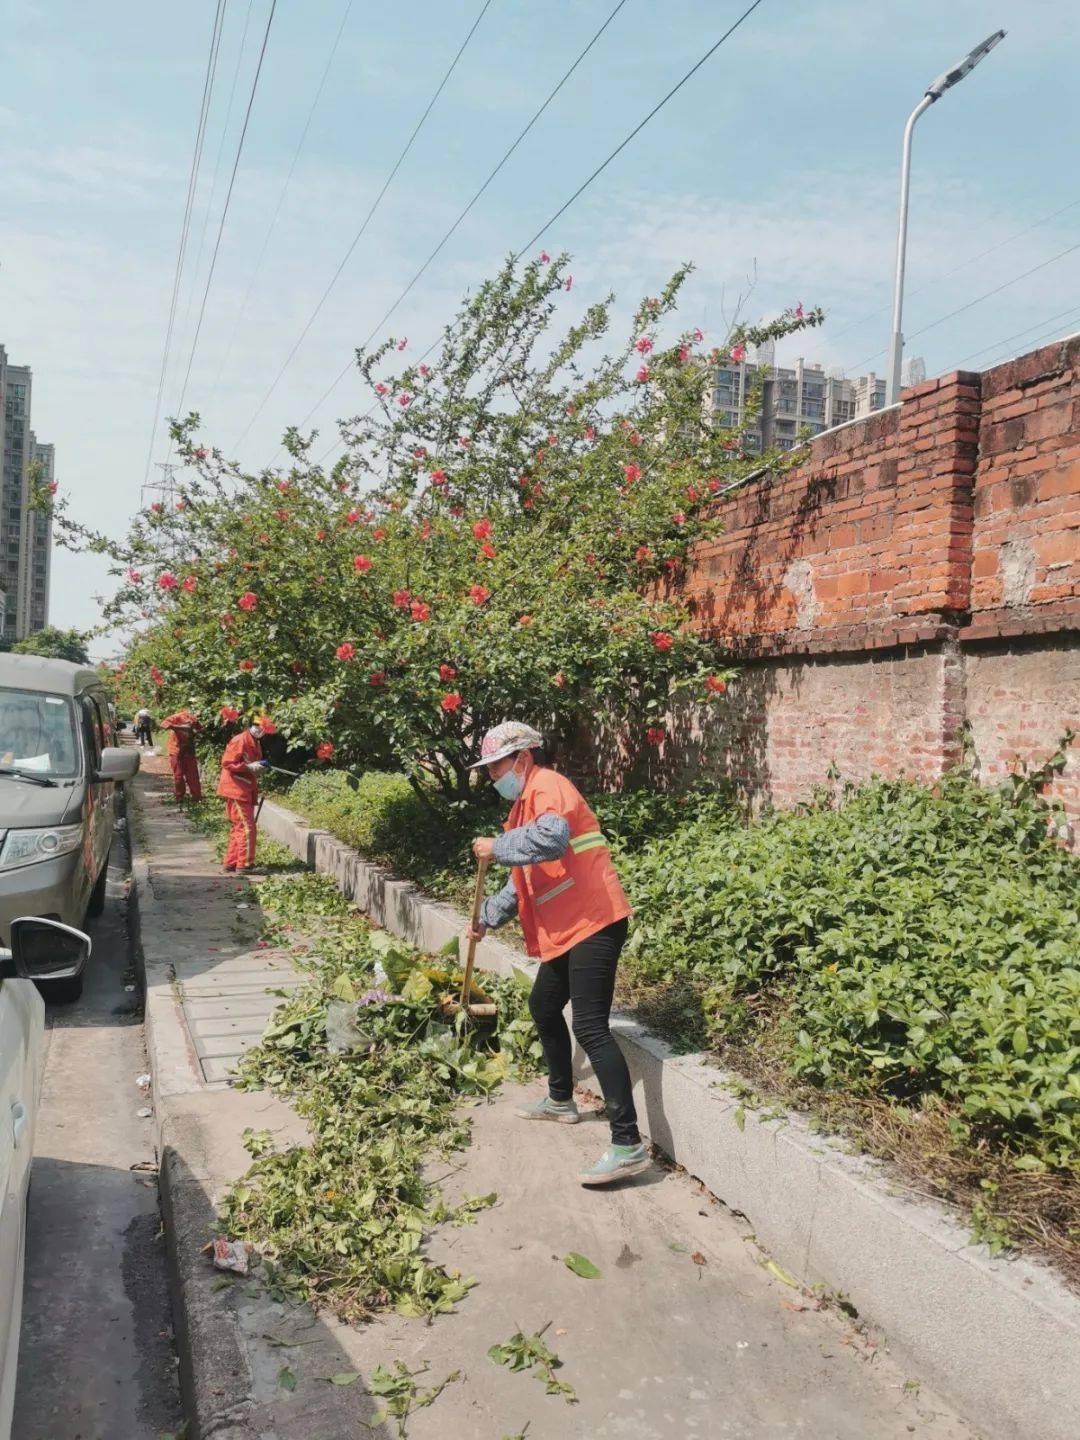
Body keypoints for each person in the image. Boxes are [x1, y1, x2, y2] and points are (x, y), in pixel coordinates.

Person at [467, 721, 649, 1187]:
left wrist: (497, 847)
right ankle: (560, 1100)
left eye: (495, 769)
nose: (493, 779)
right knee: (544, 1005)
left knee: (590, 1026)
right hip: (568, 927)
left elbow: (550, 839)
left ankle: (627, 1144)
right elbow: (522, 881)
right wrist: (487, 916)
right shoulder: (522, 807)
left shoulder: (549, 786)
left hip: (595, 920)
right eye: (488, 772)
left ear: (522, 760)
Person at [216, 715, 271, 874]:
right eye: (262, 729)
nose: (263, 732)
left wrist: (259, 766)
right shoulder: (240, 740)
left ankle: (231, 863)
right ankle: (245, 865)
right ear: (255, 726)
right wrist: (249, 767)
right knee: (247, 828)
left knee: (239, 827)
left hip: (244, 788)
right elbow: (227, 763)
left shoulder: (254, 742)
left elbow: (250, 764)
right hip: (236, 789)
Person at [160, 703, 203, 802]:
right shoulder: (178, 716)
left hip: (189, 750)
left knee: (193, 776)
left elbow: (200, 729)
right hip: (176, 750)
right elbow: (163, 724)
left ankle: (197, 798)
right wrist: (177, 727)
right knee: (179, 776)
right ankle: (180, 797)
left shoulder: (195, 719)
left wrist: (196, 731)